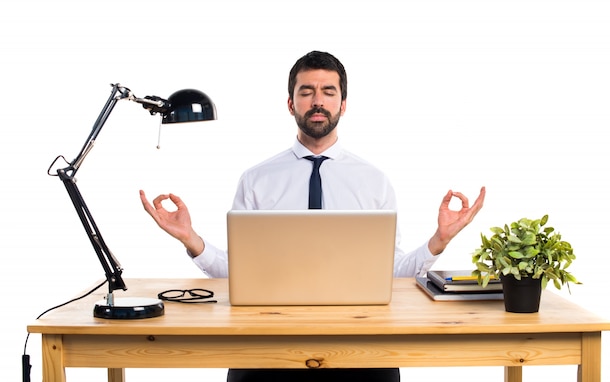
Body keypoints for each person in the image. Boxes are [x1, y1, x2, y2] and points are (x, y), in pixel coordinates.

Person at [140, 50, 486, 382]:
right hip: (268, 343)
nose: (317, 101)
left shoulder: (374, 181)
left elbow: (391, 276)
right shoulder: (256, 180)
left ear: (343, 105)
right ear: (291, 104)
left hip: (359, 344)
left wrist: (440, 240)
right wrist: (191, 239)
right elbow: (240, 276)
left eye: (327, 92)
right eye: (306, 92)